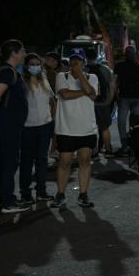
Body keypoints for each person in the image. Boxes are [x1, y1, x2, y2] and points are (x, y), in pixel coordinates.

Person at [51, 48, 99, 209]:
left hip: (87, 128)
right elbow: (65, 95)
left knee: (85, 160)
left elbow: (93, 94)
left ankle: (83, 194)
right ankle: (61, 194)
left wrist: (81, 76)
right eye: (72, 60)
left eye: (78, 60)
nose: (75, 63)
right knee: (64, 162)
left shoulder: (92, 77)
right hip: (66, 129)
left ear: (84, 62)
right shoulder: (61, 76)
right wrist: (85, 92)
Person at [0, 40, 29, 214]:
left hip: (5, 122)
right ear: (14, 53)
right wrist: (6, 112)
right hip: (8, 124)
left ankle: (5, 198)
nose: (25, 54)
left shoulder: (4, 70)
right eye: (23, 51)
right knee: (9, 162)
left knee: (4, 161)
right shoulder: (7, 71)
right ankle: (8, 202)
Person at [19, 53, 55, 206]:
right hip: (27, 127)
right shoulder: (21, 83)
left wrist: (52, 120)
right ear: (26, 67)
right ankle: (25, 193)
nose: (35, 67)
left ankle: (41, 191)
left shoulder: (44, 80)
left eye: (37, 64)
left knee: (42, 160)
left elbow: (52, 101)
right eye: (31, 64)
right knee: (27, 162)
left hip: (44, 126)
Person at [115, 46, 139, 154]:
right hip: (136, 97)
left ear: (125, 54)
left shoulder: (119, 66)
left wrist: (114, 95)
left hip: (124, 97)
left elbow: (115, 81)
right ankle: (133, 145)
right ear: (134, 54)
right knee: (135, 123)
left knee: (121, 123)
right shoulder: (138, 67)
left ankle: (124, 145)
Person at [89, 56, 115, 156]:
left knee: (91, 129)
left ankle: (94, 151)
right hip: (103, 103)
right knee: (105, 128)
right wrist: (109, 101)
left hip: (90, 103)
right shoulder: (105, 69)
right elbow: (111, 86)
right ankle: (108, 150)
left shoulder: (84, 69)